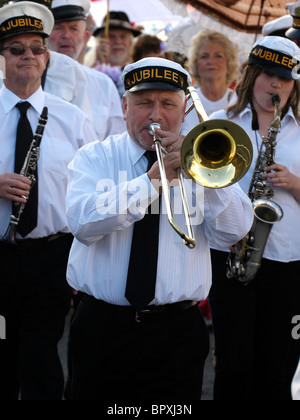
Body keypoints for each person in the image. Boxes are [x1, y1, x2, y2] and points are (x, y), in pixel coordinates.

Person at [65, 56, 253, 401]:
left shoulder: (205, 163)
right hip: (102, 327)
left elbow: (236, 231)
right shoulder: (94, 157)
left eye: (167, 104)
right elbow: (82, 223)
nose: (155, 115)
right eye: (143, 102)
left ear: (184, 112)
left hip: (176, 330)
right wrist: (150, 182)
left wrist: (207, 179)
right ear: (124, 106)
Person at [0, 0, 98, 400]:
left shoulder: (73, 118)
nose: (28, 56)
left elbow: (94, 191)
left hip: (52, 259)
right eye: (16, 48)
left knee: (41, 360)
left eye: (37, 48)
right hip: (0, 259)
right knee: (2, 357)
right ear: (1, 56)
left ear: (47, 58)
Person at [208, 36, 300, 400]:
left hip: (288, 262)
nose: (275, 85)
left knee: (276, 371)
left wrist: (294, 183)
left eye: (285, 79)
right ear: (251, 74)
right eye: (267, 75)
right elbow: (201, 190)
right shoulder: (220, 122)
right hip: (229, 256)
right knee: (232, 365)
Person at [48, 0, 125, 140]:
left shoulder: (104, 85)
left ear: (84, 37)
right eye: (58, 27)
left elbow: (115, 143)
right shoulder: (28, 82)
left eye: (73, 28)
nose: (66, 35)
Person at [182, 29, 239, 136]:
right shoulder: (187, 104)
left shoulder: (239, 102)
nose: (211, 61)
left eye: (218, 56)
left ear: (229, 63)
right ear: (195, 64)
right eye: (204, 56)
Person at [91, 11, 142, 99]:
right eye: (111, 36)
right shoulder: (88, 73)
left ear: (130, 42)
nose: (118, 41)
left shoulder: (141, 75)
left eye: (123, 37)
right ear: (100, 41)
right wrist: (99, 63)